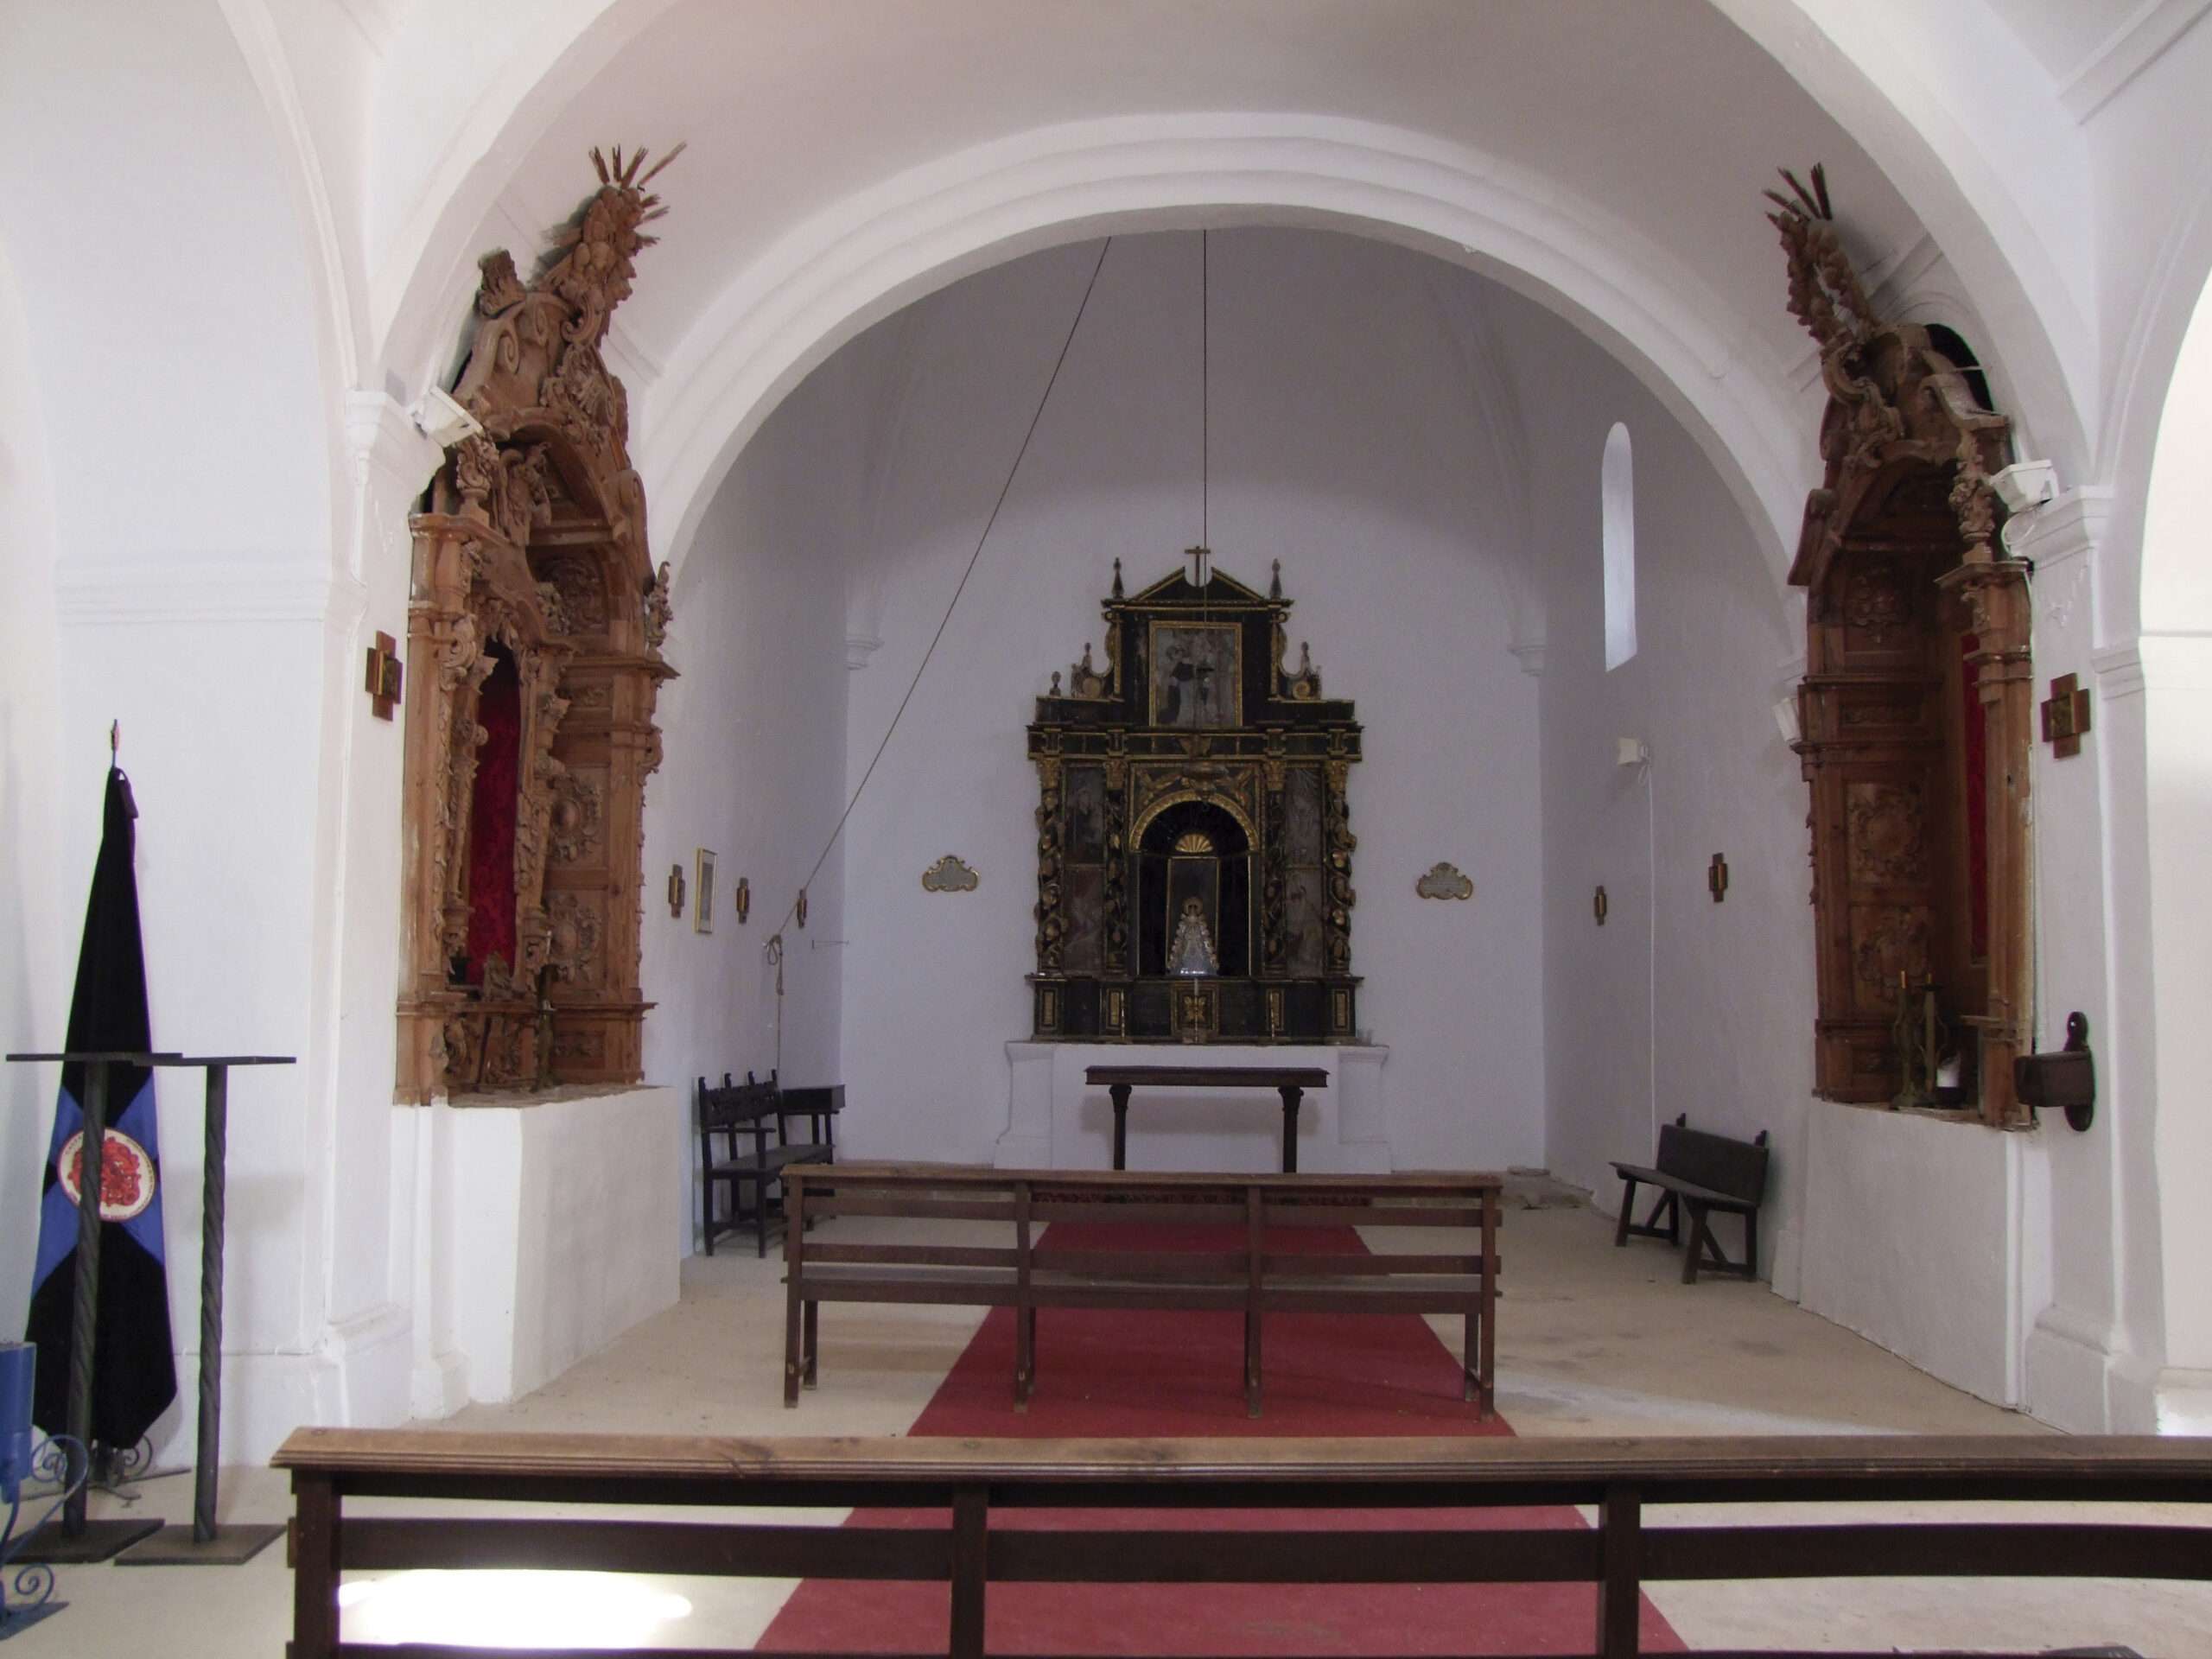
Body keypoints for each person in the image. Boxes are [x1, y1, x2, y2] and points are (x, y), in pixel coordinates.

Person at [1168, 896, 1218, 976]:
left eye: (1194, 908)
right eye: (1190, 908)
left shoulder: (1200, 924)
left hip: (1199, 948)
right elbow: (1180, 939)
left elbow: (1205, 939)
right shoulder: (1184, 924)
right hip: (1186, 949)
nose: (1192, 910)